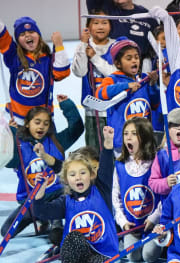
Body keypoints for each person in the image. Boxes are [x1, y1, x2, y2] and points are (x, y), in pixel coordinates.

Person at [1, 95, 83, 243]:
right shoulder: (19, 146)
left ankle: (54, 221)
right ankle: (40, 218)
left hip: (55, 198)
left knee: (56, 237)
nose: (41, 127)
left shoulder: (56, 141)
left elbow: (77, 128)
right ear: (27, 124)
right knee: (6, 231)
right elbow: (6, 161)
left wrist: (67, 105)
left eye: (46, 123)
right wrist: (10, 135)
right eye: (37, 122)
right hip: (31, 200)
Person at [33, 126, 117, 262]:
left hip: (103, 252)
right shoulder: (65, 202)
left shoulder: (102, 190)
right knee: (72, 238)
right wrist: (40, 192)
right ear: (66, 179)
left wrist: (108, 142)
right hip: (79, 254)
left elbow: (107, 165)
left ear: (91, 174)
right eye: (73, 174)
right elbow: (41, 212)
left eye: (82, 173)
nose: (78, 177)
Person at [0, 17, 70, 124]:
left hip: (42, 119)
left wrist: (59, 46)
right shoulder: (14, 56)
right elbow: (4, 38)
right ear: (18, 40)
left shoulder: (47, 59)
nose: (27, 35)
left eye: (31, 32)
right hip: (17, 119)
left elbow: (61, 73)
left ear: (39, 36)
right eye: (22, 34)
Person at [95, 38, 158, 154]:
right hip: (123, 144)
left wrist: (153, 85)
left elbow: (155, 104)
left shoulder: (144, 79)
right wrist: (126, 86)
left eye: (136, 57)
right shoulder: (113, 79)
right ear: (118, 63)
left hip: (145, 140)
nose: (134, 61)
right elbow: (100, 93)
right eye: (129, 58)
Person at [112, 118, 162, 263]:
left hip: (153, 224)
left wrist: (154, 218)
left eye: (134, 133)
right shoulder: (120, 165)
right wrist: (123, 222)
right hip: (132, 225)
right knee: (133, 257)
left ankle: (162, 240)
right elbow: (115, 197)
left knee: (148, 256)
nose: (128, 137)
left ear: (145, 136)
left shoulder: (156, 161)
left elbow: (165, 196)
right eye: (125, 133)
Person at [71, 11, 116, 153]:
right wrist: (83, 45)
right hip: (92, 111)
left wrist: (95, 57)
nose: (100, 26)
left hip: (114, 110)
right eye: (95, 23)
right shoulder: (84, 46)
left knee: (116, 152)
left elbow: (115, 74)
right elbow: (79, 72)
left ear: (110, 25)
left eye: (104, 22)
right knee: (94, 153)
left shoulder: (116, 46)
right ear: (88, 27)